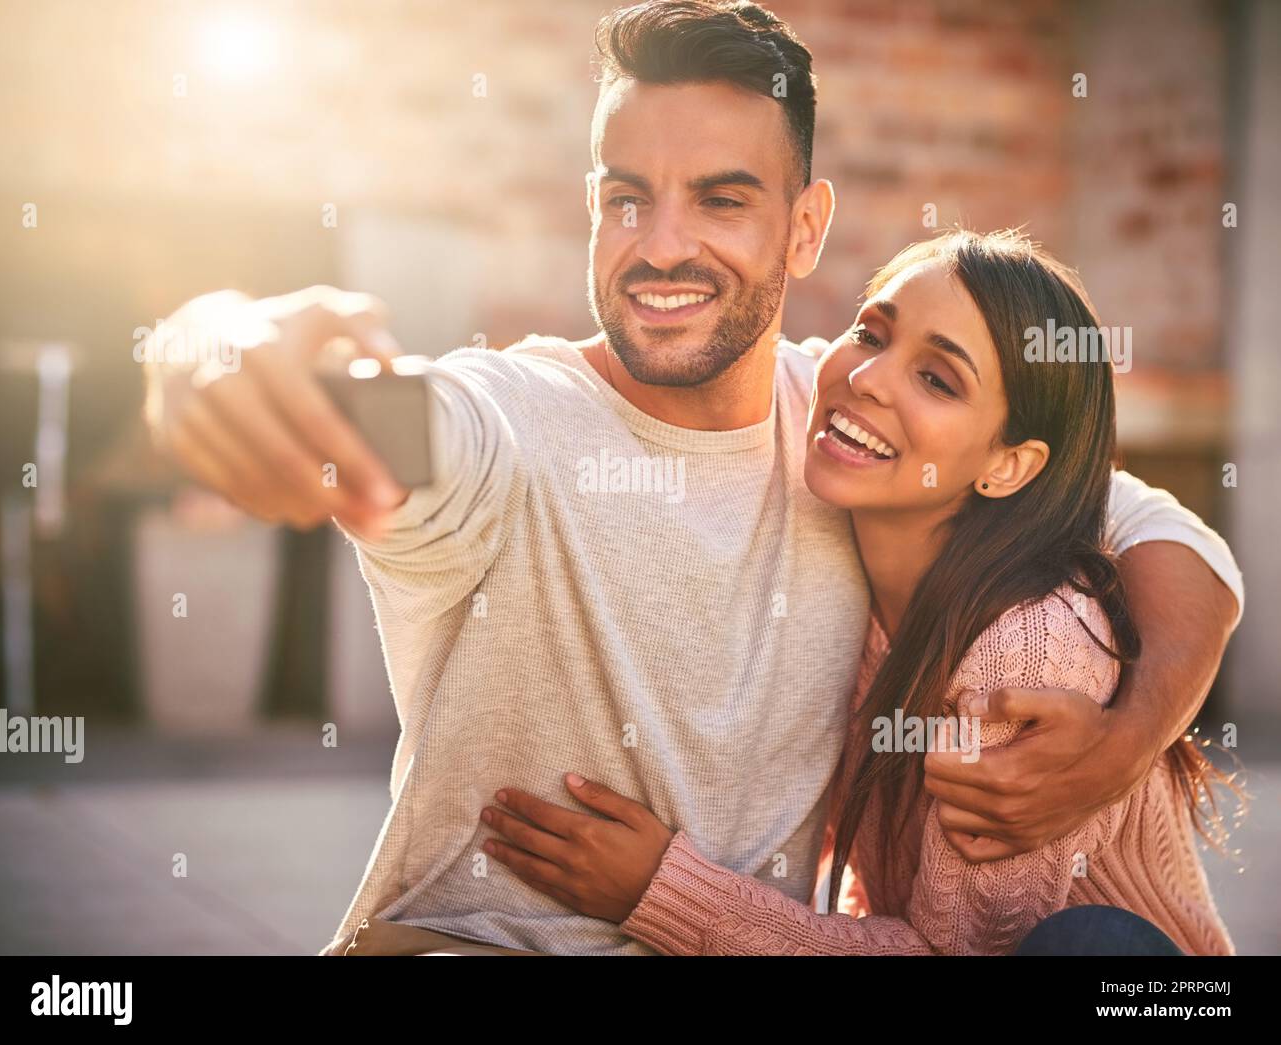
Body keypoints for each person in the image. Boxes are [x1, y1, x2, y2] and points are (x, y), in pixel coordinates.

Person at [143, 1, 1242, 955]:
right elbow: (384, 419)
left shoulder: (845, 427)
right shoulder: (516, 421)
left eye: (721, 200)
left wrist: (1127, 735)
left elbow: (1167, 537)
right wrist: (219, 350)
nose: (661, 246)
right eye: (627, 198)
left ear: (804, 228)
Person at [479, 229, 1237, 955]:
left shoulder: (1030, 648)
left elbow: (956, 954)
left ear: (1008, 465)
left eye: (937, 379)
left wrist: (663, 890)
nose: (868, 378)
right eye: (871, 334)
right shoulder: (835, 528)